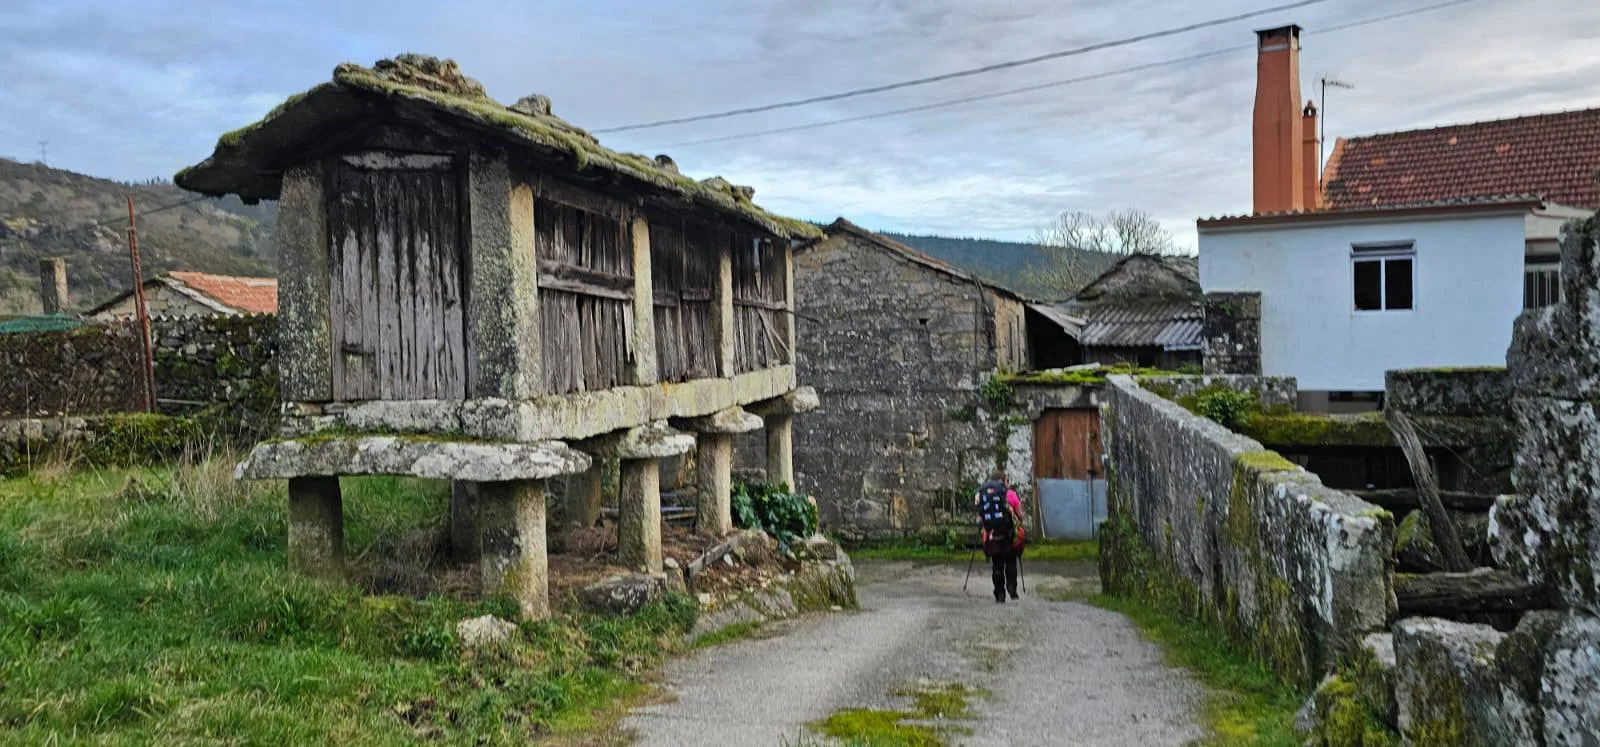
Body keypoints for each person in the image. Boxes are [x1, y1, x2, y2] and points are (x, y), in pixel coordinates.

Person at [975, 471, 1025, 603]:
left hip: (992, 534)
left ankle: (999, 593)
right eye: (1007, 480)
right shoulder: (1010, 494)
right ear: (1002, 481)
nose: (1008, 483)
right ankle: (1012, 588)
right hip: (1008, 533)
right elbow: (1020, 515)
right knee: (1010, 560)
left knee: (997, 564)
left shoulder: (983, 494)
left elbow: (979, 517)